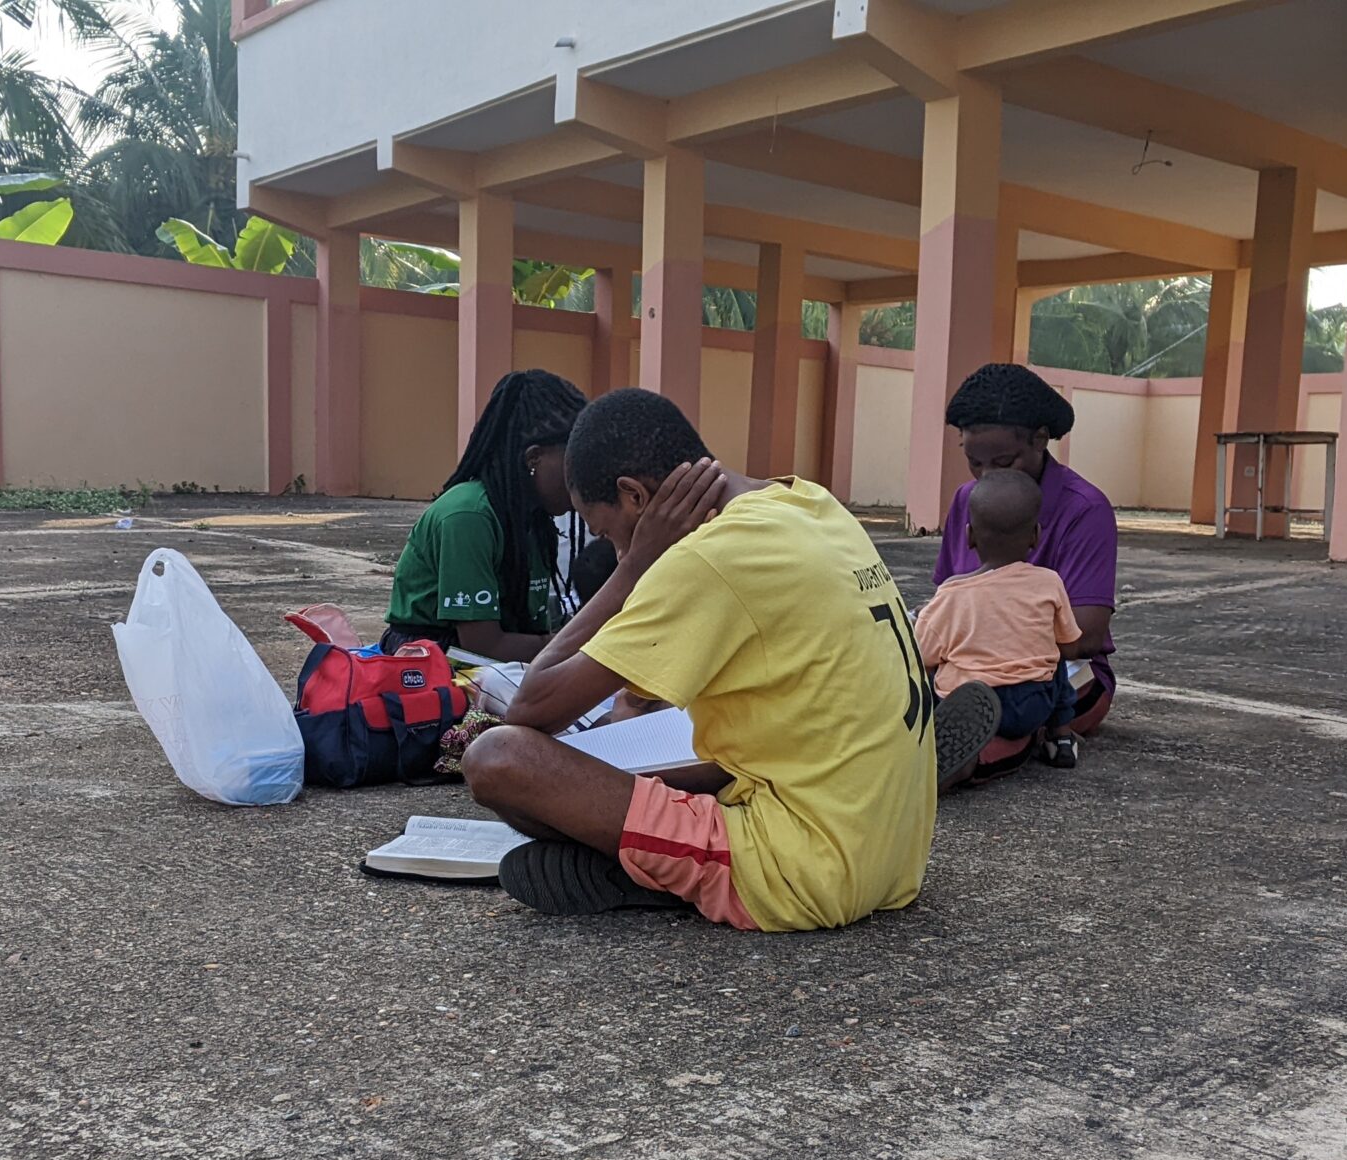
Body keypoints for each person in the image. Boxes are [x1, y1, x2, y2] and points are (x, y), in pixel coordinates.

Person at [460, 388, 1001, 931]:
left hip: (802, 874)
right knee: (687, 729)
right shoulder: (809, 502)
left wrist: (634, 568)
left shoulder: (706, 557)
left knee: (499, 760)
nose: (614, 550)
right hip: (893, 853)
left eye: (606, 533)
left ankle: (650, 870)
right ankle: (654, 849)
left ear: (634, 498)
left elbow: (530, 709)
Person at [930, 364, 1119, 734]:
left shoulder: (1084, 508)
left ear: (1040, 439)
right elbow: (947, 595)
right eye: (974, 462)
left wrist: (986, 649)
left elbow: (1085, 636)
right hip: (970, 665)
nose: (987, 476)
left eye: (1003, 462)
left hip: (1058, 672)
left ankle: (983, 751)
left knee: (1016, 708)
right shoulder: (969, 500)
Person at [381, 370, 588, 662]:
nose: (584, 479)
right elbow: (483, 646)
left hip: (496, 663)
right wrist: (579, 648)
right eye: (575, 464)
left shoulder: (533, 520)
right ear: (533, 458)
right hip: (431, 663)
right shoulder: (469, 516)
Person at [914, 469, 1083, 771]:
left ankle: (935, 741)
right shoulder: (1048, 582)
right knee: (1054, 656)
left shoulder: (951, 594)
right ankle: (1059, 737)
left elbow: (923, 657)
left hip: (971, 701)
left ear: (969, 536)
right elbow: (1071, 648)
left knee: (936, 671)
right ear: (1035, 536)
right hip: (1033, 704)